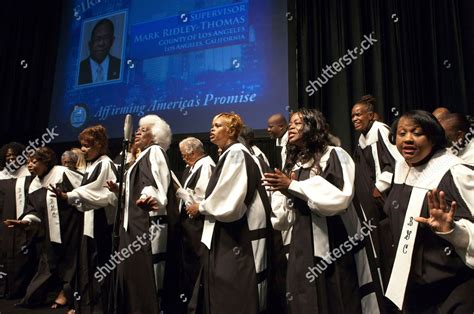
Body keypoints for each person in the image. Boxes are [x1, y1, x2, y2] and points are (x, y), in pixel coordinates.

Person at [263, 109, 380, 314]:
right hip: (301, 237)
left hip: (334, 240)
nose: (291, 127)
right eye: (290, 123)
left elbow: (340, 198)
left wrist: (292, 186)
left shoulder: (335, 154)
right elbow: (287, 211)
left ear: (313, 126)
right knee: (305, 295)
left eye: (298, 123)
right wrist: (284, 194)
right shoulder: (296, 162)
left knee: (336, 295)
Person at [384, 110, 474, 313]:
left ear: (433, 137)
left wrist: (453, 231)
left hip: (453, 291)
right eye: (402, 133)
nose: (408, 139)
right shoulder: (402, 169)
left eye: (417, 133)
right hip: (416, 292)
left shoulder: (456, 173)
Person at [187, 113, 273, 313]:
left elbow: (229, 201)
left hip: (235, 234)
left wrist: (200, 207)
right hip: (228, 231)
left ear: (232, 130)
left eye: (217, 125)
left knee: (232, 288)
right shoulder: (230, 153)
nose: (212, 129)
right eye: (212, 125)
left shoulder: (236, 153)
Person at [113, 115, 180, 313]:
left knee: (145, 275)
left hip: (145, 223)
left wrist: (151, 197)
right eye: (138, 130)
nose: (138, 133)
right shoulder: (142, 156)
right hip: (133, 223)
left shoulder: (155, 151)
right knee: (133, 274)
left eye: (144, 130)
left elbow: (155, 183)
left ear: (156, 136)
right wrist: (120, 189)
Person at [50, 125, 118, 313]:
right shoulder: (93, 165)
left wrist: (69, 196)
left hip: (103, 222)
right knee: (90, 266)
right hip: (92, 220)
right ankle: (87, 306)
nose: (83, 150)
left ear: (99, 144)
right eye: (82, 145)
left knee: (102, 266)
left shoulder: (105, 164)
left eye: (87, 146)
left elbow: (101, 193)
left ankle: (100, 308)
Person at [13, 147, 83, 309]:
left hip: (72, 226)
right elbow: (34, 210)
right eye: (28, 162)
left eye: (34, 161)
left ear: (46, 162)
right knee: (47, 265)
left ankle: (68, 296)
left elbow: (84, 189)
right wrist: (26, 221)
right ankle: (31, 299)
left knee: (72, 264)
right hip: (50, 231)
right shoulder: (34, 184)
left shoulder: (62, 172)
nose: (30, 165)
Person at [351, 94, 403, 288]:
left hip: (387, 195)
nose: (355, 119)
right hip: (373, 200)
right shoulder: (362, 138)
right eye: (353, 116)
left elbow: (397, 160)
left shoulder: (381, 130)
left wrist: (379, 186)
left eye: (359, 115)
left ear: (371, 115)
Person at [176, 137, 215, 307]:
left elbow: (206, 196)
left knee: (198, 264)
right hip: (190, 224)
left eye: (185, 154)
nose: (183, 158)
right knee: (190, 265)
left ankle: (200, 303)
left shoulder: (206, 166)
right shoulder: (193, 167)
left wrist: (186, 196)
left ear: (193, 152)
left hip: (199, 223)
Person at [0, 142, 35, 299]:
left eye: (14, 156)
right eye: (8, 157)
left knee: (23, 255)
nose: (11, 159)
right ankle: (3, 288)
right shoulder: (1, 176)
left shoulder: (28, 176)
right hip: (3, 224)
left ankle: (19, 289)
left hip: (24, 223)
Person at [78, 18, 121, 85]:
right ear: (90, 44)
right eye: (97, 39)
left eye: (106, 38)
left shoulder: (120, 65)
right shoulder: (79, 69)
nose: (101, 43)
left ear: (112, 41)